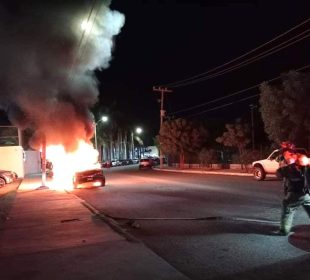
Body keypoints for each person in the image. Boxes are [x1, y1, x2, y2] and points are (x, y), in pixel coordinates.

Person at [275, 152, 310, 235]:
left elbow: (278, 173)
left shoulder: (291, 168)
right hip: (307, 194)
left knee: (287, 206)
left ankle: (284, 231)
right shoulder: (307, 167)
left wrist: (283, 164)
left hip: (295, 194)